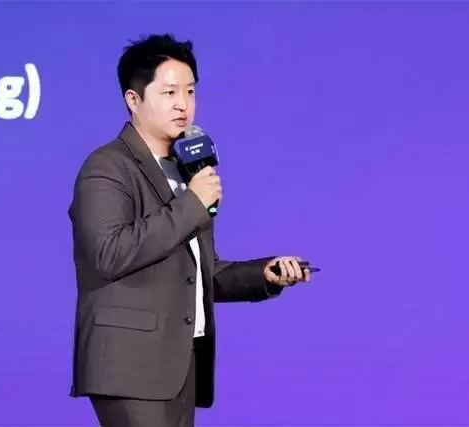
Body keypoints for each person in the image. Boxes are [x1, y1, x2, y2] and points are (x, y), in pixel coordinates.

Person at [68, 33, 313, 427]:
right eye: (169, 93)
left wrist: (263, 275)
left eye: (190, 91)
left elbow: (199, 272)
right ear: (134, 100)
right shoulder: (106, 167)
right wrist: (193, 203)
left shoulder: (185, 171)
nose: (183, 104)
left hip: (179, 363)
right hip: (130, 367)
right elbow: (110, 253)